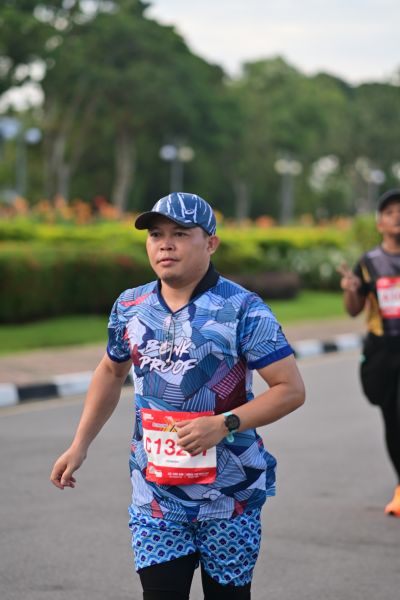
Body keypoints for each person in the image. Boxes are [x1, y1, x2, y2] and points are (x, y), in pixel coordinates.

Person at [50, 192, 305, 599]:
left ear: (211, 242)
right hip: (155, 498)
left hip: (229, 497)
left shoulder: (243, 309)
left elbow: (290, 389)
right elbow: (111, 371)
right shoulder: (131, 306)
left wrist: (224, 424)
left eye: (180, 234)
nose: (165, 244)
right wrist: (79, 444)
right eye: (156, 235)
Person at [338, 188, 400, 518]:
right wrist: (351, 291)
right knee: (392, 418)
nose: (397, 216)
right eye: (390, 212)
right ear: (380, 224)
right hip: (382, 351)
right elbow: (354, 309)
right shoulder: (369, 262)